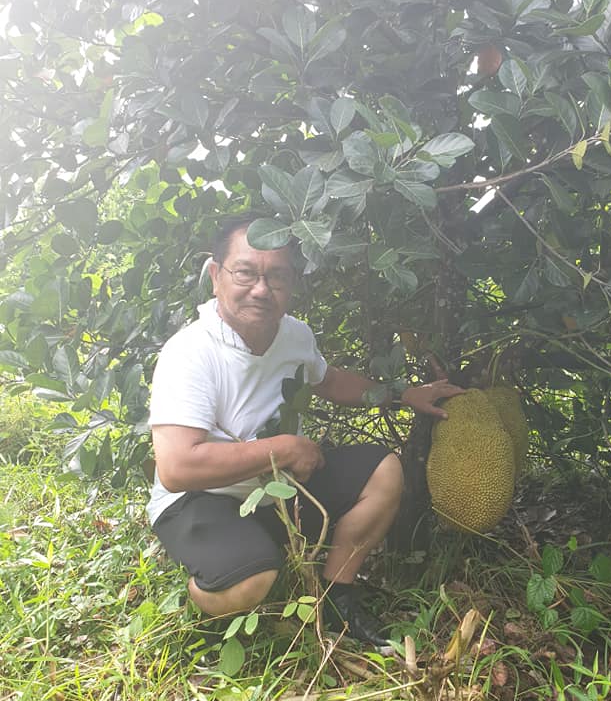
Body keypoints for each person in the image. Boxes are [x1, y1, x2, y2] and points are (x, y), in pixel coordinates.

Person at [147, 215, 463, 649]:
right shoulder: (190, 352)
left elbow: (329, 380)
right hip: (201, 499)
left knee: (384, 471)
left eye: (276, 276)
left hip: (277, 488)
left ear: (291, 284)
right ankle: (203, 593)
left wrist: (403, 393)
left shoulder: (294, 335)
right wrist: (282, 448)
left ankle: (338, 596)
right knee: (252, 581)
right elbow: (177, 467)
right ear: (216, 276)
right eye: (246, 272)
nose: (261, 289)